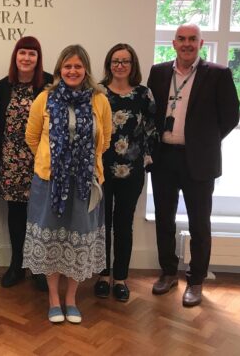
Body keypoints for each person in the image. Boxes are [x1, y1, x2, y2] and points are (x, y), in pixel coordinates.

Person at [147, 23, 239, 307]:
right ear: (173, 43)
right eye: (181, 39)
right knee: (164, 218)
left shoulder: (218, 74)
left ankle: (196, 280)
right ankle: (168, 272)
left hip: (199, 159)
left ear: (201, 43)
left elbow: (231, 116)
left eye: (192, 39)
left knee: (200, 223)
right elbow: (150, 111)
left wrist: (205, 141)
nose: (187, 44)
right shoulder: (159, 72)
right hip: (164, 157)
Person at [24, 44, 112, 324]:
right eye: (67, 66)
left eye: (77, 66)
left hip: (86, 184)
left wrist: (80, 163)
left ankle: (71, 298)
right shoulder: (45, 99)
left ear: (86, 69)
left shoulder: (100, 100)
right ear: (59, 70)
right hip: (50, 181)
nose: (72, 71)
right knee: (51, 239)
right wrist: (55, 162)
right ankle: (53, 298)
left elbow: (106, 140)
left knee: (80, 239)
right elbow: (32, 137)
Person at [94, 43, 157, 302]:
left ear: (133, 65)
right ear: (109, 64)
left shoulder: (144, 94)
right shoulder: (97, 92)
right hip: (101, 170)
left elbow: (152, 129)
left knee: (124, 225)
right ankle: (102, 275)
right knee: (101, 224)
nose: (120, 65)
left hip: (132, 172)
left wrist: (148, 159)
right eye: (116, 61)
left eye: (125, 61)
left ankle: (120, 278)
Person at [0, 36, 52, 289]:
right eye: (22, 53)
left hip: (41, 161)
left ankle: (38, 267)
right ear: (15, 56)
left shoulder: (50, 84)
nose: (26, 58)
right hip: (11, 161)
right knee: (16, 215)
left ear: (38, 59)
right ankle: (17, 264)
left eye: (32, 54)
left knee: (39, 215)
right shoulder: (2, 86)